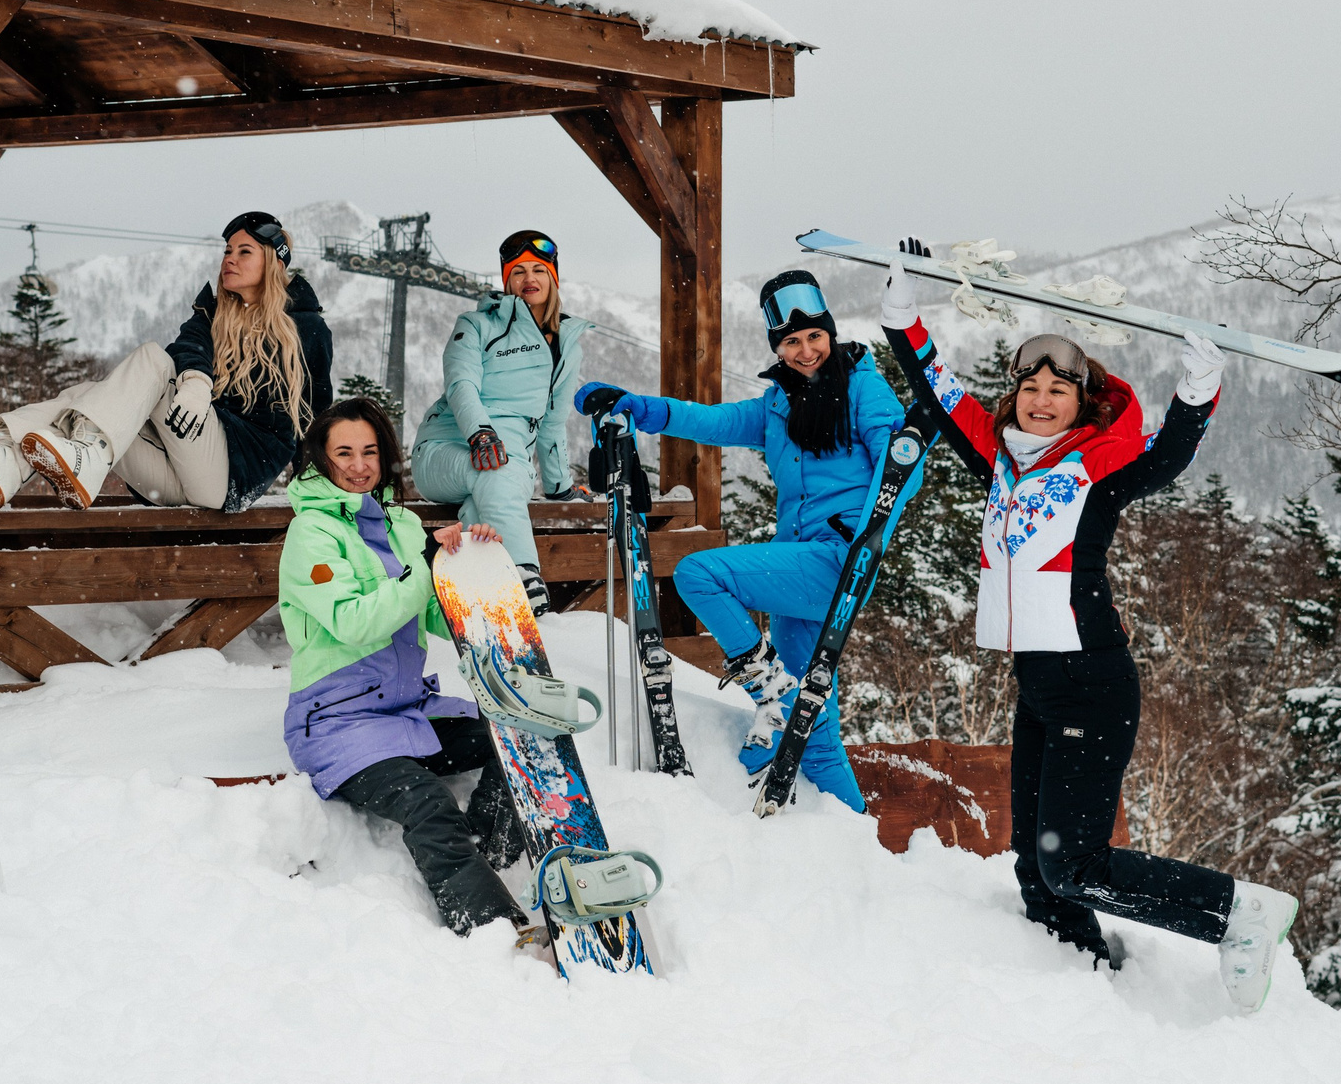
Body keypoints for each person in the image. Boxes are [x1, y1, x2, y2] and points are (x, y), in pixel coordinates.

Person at [878, 241, 1299, 1013]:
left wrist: (1198, 391)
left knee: (1075, 864)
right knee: (1036, 866)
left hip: (1091, 683)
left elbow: (1167, 456)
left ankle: (1239, 912)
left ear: (1081, 403)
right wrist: (903, 317)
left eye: (1058, 390)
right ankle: (1079, 988)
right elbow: (938, 394)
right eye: (1030, 387)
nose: (1041, 400)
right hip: (1039, 684)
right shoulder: (1000, 460)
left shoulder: (1096, 468)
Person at [575, 268, 902, 811]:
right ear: (777, 347)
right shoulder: (778, 406)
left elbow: (901, 465)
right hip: (798, 565)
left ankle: (768, 690)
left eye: (815, 336)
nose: (806, 351)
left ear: (831, 333)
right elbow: (714, 421)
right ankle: (857, 841)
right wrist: (637, 406)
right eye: (791, 342)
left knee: (698, 574)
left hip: (839, 561)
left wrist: (869, 536)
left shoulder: (864, 387)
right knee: (814, 733)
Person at [279, 396, 551, 963]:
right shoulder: (311, 535)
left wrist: (467, 568)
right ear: (320, 459)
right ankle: (491, 928)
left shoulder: (401, 525)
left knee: (515, 739)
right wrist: (424, 571)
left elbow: (432, 616)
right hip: (339, 723)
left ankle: (487, 862)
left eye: (370, 452)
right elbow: (354, 622)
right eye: (344, 453)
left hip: (406, 711)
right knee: (428, 804)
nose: (359, 466)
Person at [0, 212, 333, 512]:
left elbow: (317, 415)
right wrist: (197, 382)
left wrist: (318, 490)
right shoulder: (213, 315)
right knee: (88, 395)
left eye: (244, 251)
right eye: (227, 251)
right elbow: (189, 347)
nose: (229, 259)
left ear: (273, 261)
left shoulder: (305, 328)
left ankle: (84, 457)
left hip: (231, 475)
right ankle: (7, 463)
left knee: (152, 358)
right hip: (174, 477)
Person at [407, 230, 588, 616]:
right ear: (507, 281)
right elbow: (461, 384)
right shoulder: (476, 325)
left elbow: (553, 421)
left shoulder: (567, 344)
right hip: (443, 452)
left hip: (509, 462)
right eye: (518, 271)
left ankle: (484, 600)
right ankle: (521, 574)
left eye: (539, 270)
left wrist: (558, 487)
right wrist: (480, 432)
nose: (529, 279)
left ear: (553, 278)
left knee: (484, 505)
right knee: (495, 469)